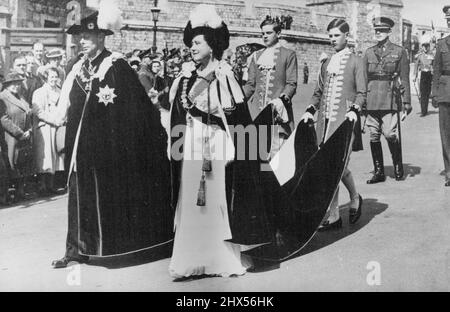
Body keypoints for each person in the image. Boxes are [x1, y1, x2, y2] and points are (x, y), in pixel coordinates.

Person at [51, 2, 172, 268]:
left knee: (104, 197)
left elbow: (137, 107)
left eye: (87, 36)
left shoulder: (116, 66)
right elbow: (63, 108)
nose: (82, 42)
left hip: (107, 149)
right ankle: (74, 250)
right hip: (79, 147)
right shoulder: (75, 68)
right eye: (80, 37)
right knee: (77, 196)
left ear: (101, 37)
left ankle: (103, 247)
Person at [168, 4, 248, 279]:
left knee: (213, 199)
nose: (192, 47)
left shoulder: (224, 74)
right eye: (191, 42)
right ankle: (191, 259)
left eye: (198, 42)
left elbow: (233, 116)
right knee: (191, 198)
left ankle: (218, 259)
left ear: (212, 45)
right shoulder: (187, 74)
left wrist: (232, 145)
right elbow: (178, 110)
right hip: (191, 141)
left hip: (213, 142)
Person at [301, 19, 365, 230]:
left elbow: (362, 92)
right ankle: (335, 214)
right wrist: (311, 109)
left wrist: (355, 108)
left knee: (338, 166)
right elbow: (318, 92)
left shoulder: (356, 61)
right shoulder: (326, 63)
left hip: (345, 123)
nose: (332, 40)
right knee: (331, 168)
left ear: (346, 35)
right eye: (330, 36)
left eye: (336, 35)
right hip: (324, 123)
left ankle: (353, 199)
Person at [363, 17, 411, 184]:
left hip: (390, 98)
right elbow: (362, 78)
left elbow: (404, 78)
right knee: (374, 135)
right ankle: (379, 172)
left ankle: (398, 165)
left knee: (390, 134)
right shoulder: (368, 52)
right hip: (371, 98)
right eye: (376, 30)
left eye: (382, 30)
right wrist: (361, 101)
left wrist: (406, 102)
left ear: (389, 32)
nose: (378, 33)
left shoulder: (399, 51)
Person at [243, 15, 298, 160]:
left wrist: (281, 100)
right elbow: (250, 85)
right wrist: (236, 98)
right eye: (263, 33)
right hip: (256, 113)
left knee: (275, 158)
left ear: (278, 33)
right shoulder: (256, 56)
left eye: (269, 33)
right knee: (255, 158)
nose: (265, 36)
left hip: (277, 114)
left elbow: (291, 83)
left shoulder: (289, 55)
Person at [31, 67, 65, 195]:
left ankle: (51, 186)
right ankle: (42, 187)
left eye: (55, 77)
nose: (53, 79)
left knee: (55, 156)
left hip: (57, 126)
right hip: (44, 127)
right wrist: (52, 120)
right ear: (45, 78)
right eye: (51, 77)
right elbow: (38, 111)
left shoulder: (60, 91)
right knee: (44, 157)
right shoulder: (39, 92)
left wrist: (61, 119)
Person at [0, 73, 33, 201]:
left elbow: (28, 112)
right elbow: (4, 119)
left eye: (18, 83)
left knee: (22, 163)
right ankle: (7, 194)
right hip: (11, 136)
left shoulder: (20, 97)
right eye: (13, 84)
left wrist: (29, 130)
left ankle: (20, 191)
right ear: (7, 85)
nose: (16, 86)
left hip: (24, 135)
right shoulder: (2, 98)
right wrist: (19, 133)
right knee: (12, 163)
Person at [432, 5, 450, 187]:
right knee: (446, 134)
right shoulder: (442, 43)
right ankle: (449, 172)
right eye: (449, 20)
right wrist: (434, 94)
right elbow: (436, 70)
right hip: (445, 93)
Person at [414, 36, 434, 117]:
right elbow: (416, 66)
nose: (425, 48)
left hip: (430, 75)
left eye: (427, 46)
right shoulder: (419, 55)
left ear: (429, 46)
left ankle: (425, 108)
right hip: (423, 75)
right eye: (424, 46)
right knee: (422, 93)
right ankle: (423, 111)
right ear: (422, 47)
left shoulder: (432, 55)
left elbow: (434, 65)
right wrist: (414, 76)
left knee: (428, 93)